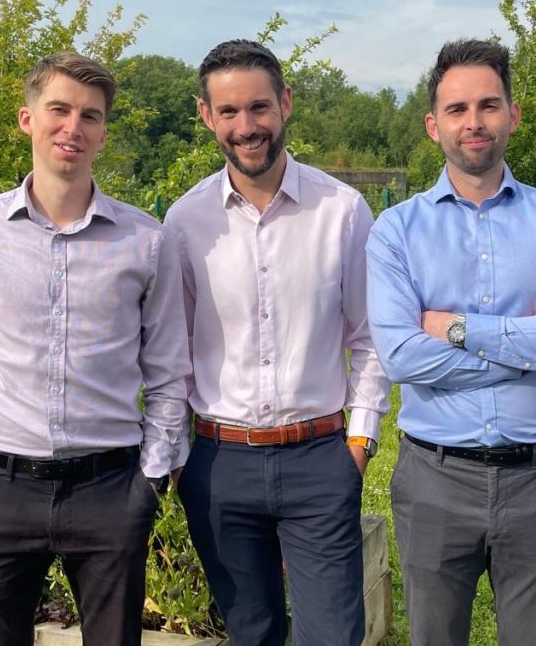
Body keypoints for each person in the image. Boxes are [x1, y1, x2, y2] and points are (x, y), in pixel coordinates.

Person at [0, 52, 191, 646]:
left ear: (102, 131)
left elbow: (170, 368)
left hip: (110, 489)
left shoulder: (146, 240)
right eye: (59, 110)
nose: (73, 127)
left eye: (90, 116)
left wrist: (150, 476)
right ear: (27, 119)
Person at [365, 38, 536, 646]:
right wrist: (532, 352)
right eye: (457, 109)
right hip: (433, 478)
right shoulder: (395, 230)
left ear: (513, 114)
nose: (474, 123)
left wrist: (457, 328)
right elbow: (399, 356)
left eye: (488, 105)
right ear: (432, 125)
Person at [164, 39, 391, 646]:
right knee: (251, 631)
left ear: (286, 103)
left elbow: (369, 338)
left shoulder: (341, 211)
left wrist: (360, 442)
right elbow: (171, 353)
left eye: (259, 108)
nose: (247, 127)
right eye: (229, 112)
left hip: (320, 457)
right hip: (219, 463)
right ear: (206, 116)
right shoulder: (185, 223)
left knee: (333, 634)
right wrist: (181, 461)